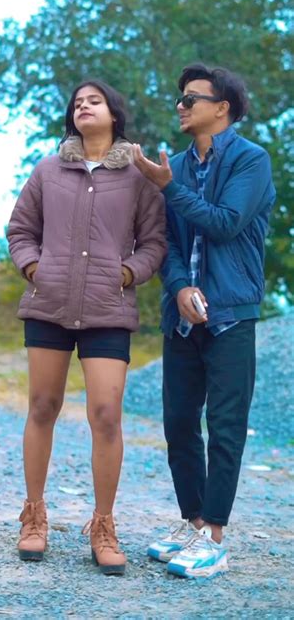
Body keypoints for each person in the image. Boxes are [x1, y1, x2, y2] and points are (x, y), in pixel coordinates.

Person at [7, 80, 166, 575]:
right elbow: (20, 229)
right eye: (77, 103)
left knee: (106, 414)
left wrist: (127, 274)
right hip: (49, 306)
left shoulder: (138, 177)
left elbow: (154, 242)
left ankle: (103, 525)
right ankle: (34, 516)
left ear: (114, 113)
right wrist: (36, 268)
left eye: (93, 101)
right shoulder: (48, 169)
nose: (83, 107)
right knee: (42, 406)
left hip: (107, 310)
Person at [133, 63, 276, 579]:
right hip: (182, 316)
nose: (181, 105)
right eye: (180, 97)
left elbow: (225, 223)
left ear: (222, 108)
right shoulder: (174, 167)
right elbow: (167, 242)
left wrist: (169, 188)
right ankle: (192, 523)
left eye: (191, 98)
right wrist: (179, 288)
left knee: (225, 425)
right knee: (178, 422)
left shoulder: (250, 160)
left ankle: (214, 534)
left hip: (231, 314)